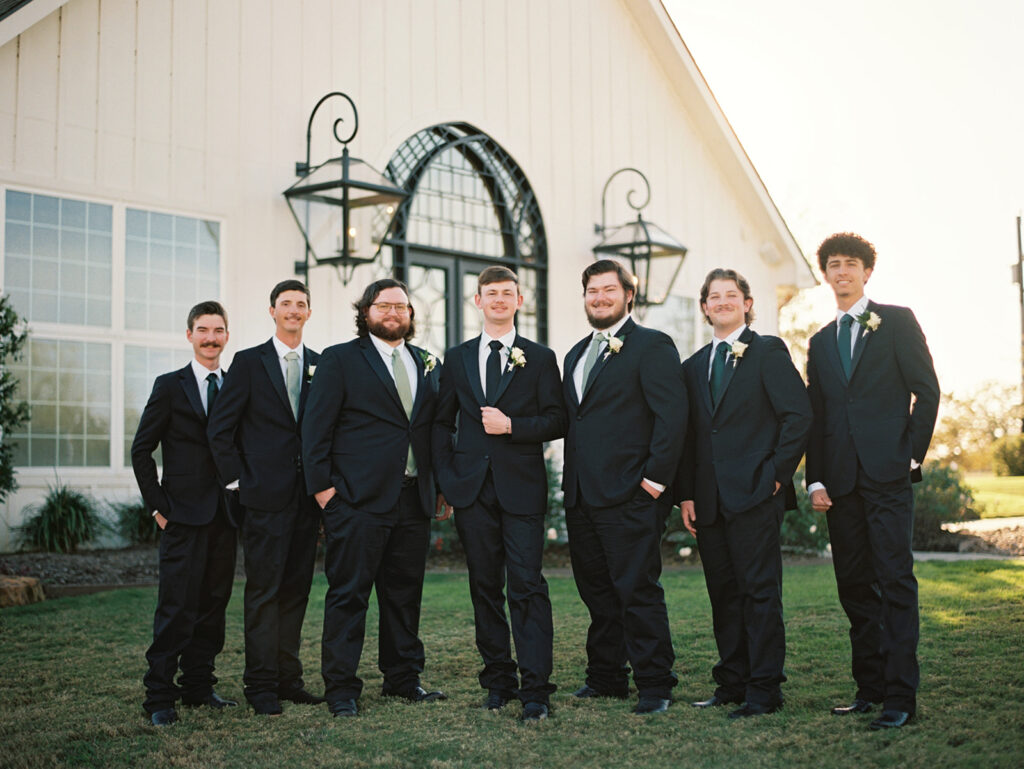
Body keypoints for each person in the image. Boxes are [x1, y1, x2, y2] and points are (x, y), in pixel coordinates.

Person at [806, 233, 939, 730]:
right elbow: (817, 417)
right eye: (833, 265)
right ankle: (869, 689)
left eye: (851, 264)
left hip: (887, 475)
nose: (842, 272)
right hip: (840, 484)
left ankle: (900, 696)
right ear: (826, 274)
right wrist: (815, 479)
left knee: (895, 582)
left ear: (866, 273)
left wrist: (909, 456)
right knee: (854, 587)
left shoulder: (897, 321)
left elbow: (927, 391)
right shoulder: (819, 342)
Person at [302, 278, 448, 718]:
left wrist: (439, 486)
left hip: (411, 500)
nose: (393, 313)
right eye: (383, 305)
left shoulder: (426, 362)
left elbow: (432, 430)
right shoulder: (341, 360)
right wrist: (326, 493)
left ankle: (403, 679)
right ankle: (341, 689)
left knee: (404, 596)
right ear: (365, 312)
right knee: (349, 596)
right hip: (356, 501)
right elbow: (315, 430)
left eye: (401, 307)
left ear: (410, 315)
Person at [432, 266, 566, 722]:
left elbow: (557, 419)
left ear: (519, 300)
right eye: (491, 293)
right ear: (478, 301)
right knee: (484, 587)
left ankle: (536, 690)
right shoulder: (457, 358)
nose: (499, 300)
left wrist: (513, 427)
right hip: (471, 492)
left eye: (507, 293)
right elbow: (439, 422)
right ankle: (498, 681)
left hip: (522, 490)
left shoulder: (541, 357)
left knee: (527, 586)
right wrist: (448, 479)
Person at [676, 269, 812, 719]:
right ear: (704, 307)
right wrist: (687, 495)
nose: (722, 302)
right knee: (724, 594)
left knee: (759, 593)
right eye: (713, 297)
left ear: (747, 303)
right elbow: (691, 436)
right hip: (710, 500)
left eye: (731, 295)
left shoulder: (767, 351)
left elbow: (798, 415)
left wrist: (776, 475)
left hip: (756, 493)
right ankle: (732, 683)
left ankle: (765, 689)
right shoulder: (693, 366)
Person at [561, 259, 687, 715]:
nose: (599, 297)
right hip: (581, 497)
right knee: (596, 592)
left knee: (637, 590)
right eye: (591, 290)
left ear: (628, 295)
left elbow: (672, 418)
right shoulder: (575, 354)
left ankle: (656, 684)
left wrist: (653, 482)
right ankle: (606, 677)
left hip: (633, 495)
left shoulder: (652, 346)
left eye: (608, 290)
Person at [207, 280, 323, 715]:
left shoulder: (320, 363)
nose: (293, 310)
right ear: (272, 311)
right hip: (262, 497)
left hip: (306, 500)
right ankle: (260, 688)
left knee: (296, 591)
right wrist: (238, 482)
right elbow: (220, 429)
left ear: (308, 312)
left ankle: (288, 680)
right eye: (286, 304)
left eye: (301, 304)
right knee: (263, 593)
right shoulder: (249, 362)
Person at [132, 301, 238, 726]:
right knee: (175, 608)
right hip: (181, 516)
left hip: (226, 517)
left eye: (218, 330)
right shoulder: (169, 385)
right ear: (190, 335)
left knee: (213, 607)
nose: (211, 337)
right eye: (202, 330)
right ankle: (159, 696)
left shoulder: (236, 386)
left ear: (227, 335)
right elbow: (142, 450)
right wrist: (158, 506)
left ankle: (198, 686)